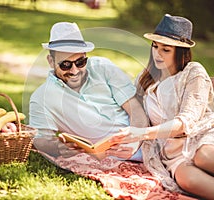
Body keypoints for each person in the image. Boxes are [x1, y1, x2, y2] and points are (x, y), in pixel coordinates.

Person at [108, 14, 214, 199]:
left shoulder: (193, 73)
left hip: (206, 132)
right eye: (155, 47)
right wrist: (133, 140)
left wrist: (143, 134)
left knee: (204, 157)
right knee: (188, 180)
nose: (157, 54)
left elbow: (186, 122)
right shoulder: (145, 79)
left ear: (181, 52)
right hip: (172, 152)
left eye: (166, 50)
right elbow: (138, 113)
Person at [29, 22, 149, 161]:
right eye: (65, 65)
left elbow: (136, 109)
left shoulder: (103, 67)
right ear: (51, 61)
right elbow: (39, 140)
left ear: (86, 56)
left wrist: (135, 142)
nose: (74, 71)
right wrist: (58, 148)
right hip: (108, 158)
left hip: (143, 143)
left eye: (80, 62)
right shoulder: (41, 97)